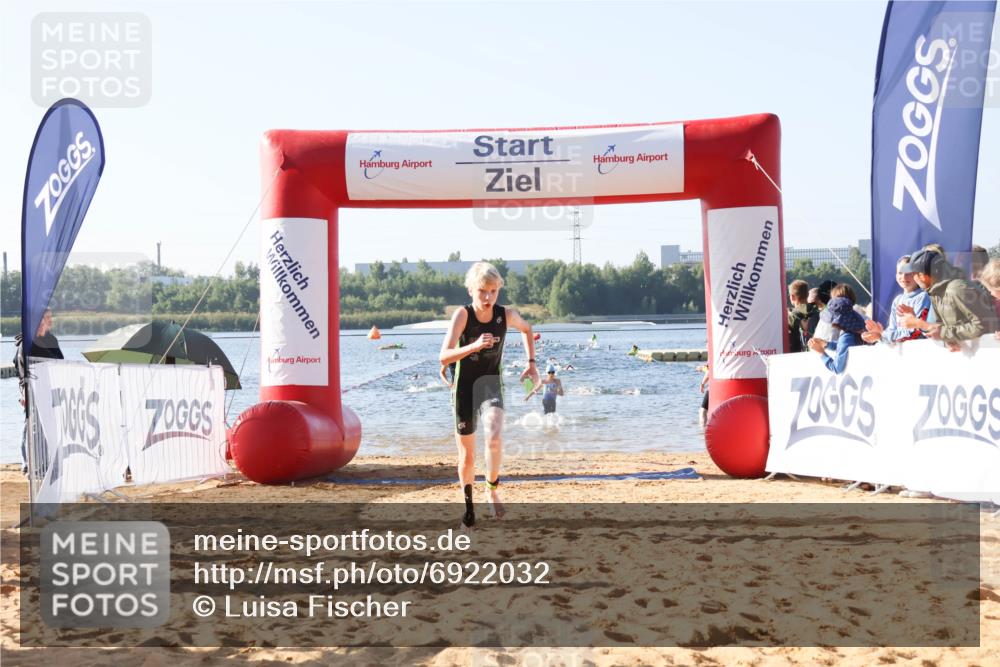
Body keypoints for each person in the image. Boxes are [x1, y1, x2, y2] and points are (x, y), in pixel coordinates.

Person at [440, 262, 538, 528]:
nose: (488, 297)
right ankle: (469, 508)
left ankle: (492, 488)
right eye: (483, 291)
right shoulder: (462, 315)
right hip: (464, 388)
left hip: (490, 383)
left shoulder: (505, 315)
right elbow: (444, 355)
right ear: (471, 289)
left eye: (493, 291)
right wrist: (472, 346)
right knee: (468, 455)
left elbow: (528, 329)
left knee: (494, 438)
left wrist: (531, 364)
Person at [898, 249, 997, 351]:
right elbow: (940, 328)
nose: (913, 278)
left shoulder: (956, 289)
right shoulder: (935, 291)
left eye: (913, 274)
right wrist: (918, 322)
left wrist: (942, 333)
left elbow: (983, 326)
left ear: (922, 276)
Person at [13, 308, 64, 474]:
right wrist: (23, 393)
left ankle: (46, 462)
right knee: (31, 427)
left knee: (44, 427)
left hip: (50, 390)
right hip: (32, 391)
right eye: (46, 318)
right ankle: (29, 463)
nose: (50, 321)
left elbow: (61, 363)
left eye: (50, 317)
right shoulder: (26, 343)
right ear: (36, 321)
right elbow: (22, 372)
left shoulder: (52, 340)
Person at [863, 255, 933, 344]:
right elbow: (892, 330)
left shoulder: (923, 297)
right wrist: (879, 335)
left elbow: (916, 332)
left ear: (917, 275)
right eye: (900, 273)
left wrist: (882, 336)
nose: (904, 276)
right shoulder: (897, 300)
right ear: (896, 277)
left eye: (908, 272)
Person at [807, 297, 867, 374]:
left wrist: (821, 352)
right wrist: (826, 344)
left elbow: (837, 368)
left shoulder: (846, 337)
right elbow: (845, 347)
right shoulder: (860, 328)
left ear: (837, 321)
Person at [787, 280, 818, 353]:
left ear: (792, 297)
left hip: (798, 357)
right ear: (807, 295)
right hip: (817, 354)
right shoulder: (818, 312)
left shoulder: (790, 317)